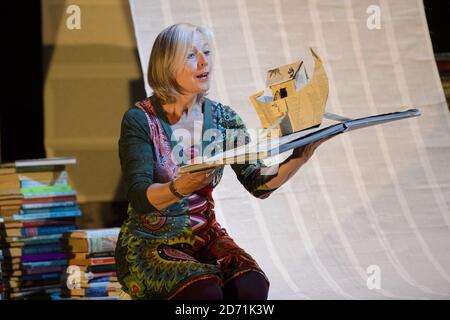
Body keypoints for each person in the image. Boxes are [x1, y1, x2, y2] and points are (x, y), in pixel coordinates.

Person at [115, 23, 326, 300]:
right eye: (191, 55)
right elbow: (139, 196)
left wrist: (300, 157)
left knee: (252, 286)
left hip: (206, 238)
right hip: (149, 243)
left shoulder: (224, 118)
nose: (205, 62)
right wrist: (180, 187)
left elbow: (257, 183)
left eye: (206, 52)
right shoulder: (141, 120)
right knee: (204, 292)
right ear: (167, 65)